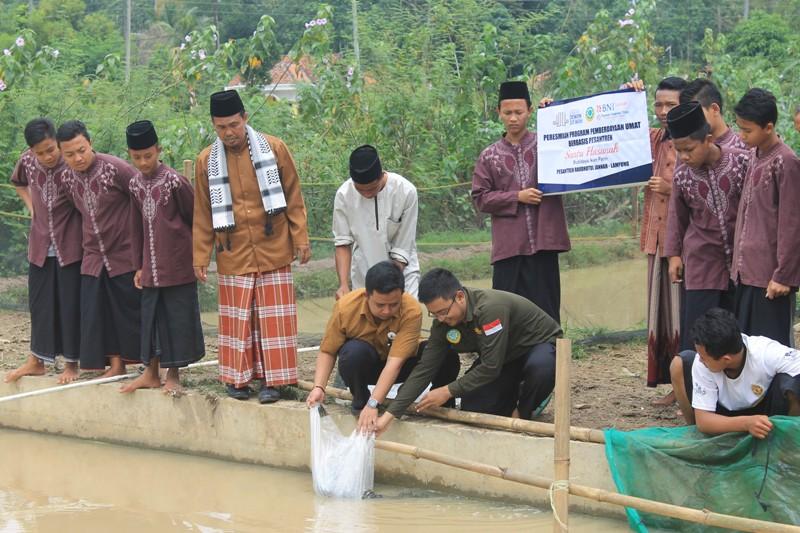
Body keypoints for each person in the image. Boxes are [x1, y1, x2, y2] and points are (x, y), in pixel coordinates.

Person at [193, 89, 311, 403]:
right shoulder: (207, 161)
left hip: (274, 246)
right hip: (233, 250)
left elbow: (293, 197)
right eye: (221, 127)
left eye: (233, 124)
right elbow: (203, 212)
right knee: (238, 320)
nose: (229, 132)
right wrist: (200, 256)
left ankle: (274, 381)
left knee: (274, 319)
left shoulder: (274, 149)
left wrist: (301, 238)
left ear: (245, 118)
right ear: (213, 126)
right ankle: (238, 380)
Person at [375, 268, 562, 435]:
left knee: (541, 368)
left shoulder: (490, 309)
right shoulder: (442, 324)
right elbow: (425, 368)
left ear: (460, 297)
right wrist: (390, 416)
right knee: (473, 406)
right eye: (434, 314)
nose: (440, 318)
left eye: (443, 311)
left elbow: (490, 367)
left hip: (538, 346)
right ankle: (514, 392)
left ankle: (527, 407)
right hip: (505, 356)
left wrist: (448, 391)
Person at [306, 261, 459, 432]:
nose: (386, 311)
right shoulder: (345, 307)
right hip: (368, 367)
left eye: (393, 305)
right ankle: (361, 403)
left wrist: (375, 402)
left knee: (445, 355)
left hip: (399, 366)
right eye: (380, 305)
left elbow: (395, 364)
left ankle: (439, 405)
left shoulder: (411, 310)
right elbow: (328, 350)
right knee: (352, 353)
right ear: (367, 295)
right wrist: (319, 387)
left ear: (402, 295)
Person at [471, 80, 570, 323]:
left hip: (544, 244)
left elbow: (573, 145)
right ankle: (508, 361)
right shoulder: (489, 155)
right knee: (506, 313)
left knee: (547, 312)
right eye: (507, 113)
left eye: (519, 112)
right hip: (509, 249)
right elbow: (480, 198)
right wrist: (517, 196)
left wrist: (554, 113)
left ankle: (549, 359)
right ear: (499, 113)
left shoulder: (548, 144)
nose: (513, 118)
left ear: (529, 110)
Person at [120, 120, 205, 394]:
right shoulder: (133, 185)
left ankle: (173, 376)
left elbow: (197, 218)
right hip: (150, 269)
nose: (143, 162)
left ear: (158, 150)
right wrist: (138, 265)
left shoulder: (174, 182)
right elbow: (135, 227)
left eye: (148, 155)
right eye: (137, 157)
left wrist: (198, 257)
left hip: (178, 267)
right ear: (129, 155)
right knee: (151, 320)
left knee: (176, 321)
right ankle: (150, 373)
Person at [57, 120, 143, 377]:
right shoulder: (66, 177)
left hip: (124, 253)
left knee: (129, 310)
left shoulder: (115, 168)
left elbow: (141, 193)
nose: (78, 158)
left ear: (90, 143)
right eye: (69, 154)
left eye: (81, 150)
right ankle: (115, 365)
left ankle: (148, 364)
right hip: (93, 256)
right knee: (98, 311)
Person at [664, 102, 750, 352]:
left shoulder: (741, 161)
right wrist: (674, 255)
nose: (684, 157)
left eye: (689, 149)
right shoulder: (682, 175)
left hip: (740, 263)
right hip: (702, 263)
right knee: (699, 334)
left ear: (708, 139)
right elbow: (676, 217)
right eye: (678, 151)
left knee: (737, 333)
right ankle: (694, 389)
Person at [5, 118, 82, 384]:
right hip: (39, 246)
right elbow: (18, 182)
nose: (47, 156)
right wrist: (32, 207)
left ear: (57, 143)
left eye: (50, 149)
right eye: (40, 152)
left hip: (71, 246)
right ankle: (37, 360)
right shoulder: (27, 161)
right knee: (39, 305)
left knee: (69, 305)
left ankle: (72, 363)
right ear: (31, 151)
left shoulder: (71, 163)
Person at [631, 77, 687, 401]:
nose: (663, 111)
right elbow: (622, 135)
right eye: (658, 104)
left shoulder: (692, 142)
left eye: (671, 105)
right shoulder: (653, 139)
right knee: (661, 312)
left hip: (681, 243)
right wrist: (631, 100)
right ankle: (672, 384)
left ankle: (686, 384)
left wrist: (671, 188)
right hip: (655, 237)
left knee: (681, 311)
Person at [731, 88, 800, 347]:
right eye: (740, 128)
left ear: (768, 127)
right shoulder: (753, 155)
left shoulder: (786, 162)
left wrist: (783, 276)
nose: (742, 135)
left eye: (747, 130)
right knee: (747, 347)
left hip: (770, 278)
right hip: (745, 271)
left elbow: (792, 225)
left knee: (771, 351)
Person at [670, 307, 800, 437]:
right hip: (722, 415)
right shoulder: (702, 362)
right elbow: (704, 421)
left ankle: (787, 437)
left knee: (794, 382)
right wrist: (746, 423)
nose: (700, 360)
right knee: (679, 363)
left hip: (767, 417)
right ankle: (696, 436)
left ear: (726, 359)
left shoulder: (766, 352)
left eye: (704, 358)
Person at [333, 145, 420, 299]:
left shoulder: (406, 192)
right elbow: (342, 243)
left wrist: (387, 286)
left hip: (402, 273)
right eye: (360, 190)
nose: (366, 194)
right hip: (363, 274)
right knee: (366, 320)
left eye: (372, 189)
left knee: (405, 317)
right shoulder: (343, 195)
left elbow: (403, 246)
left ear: (381, 175)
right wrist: (344, 285)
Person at [679, 78, 748, 151]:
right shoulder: (687, 149)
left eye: (695, 115)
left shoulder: (745, 147)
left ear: (715, 109)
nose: (691, 122)